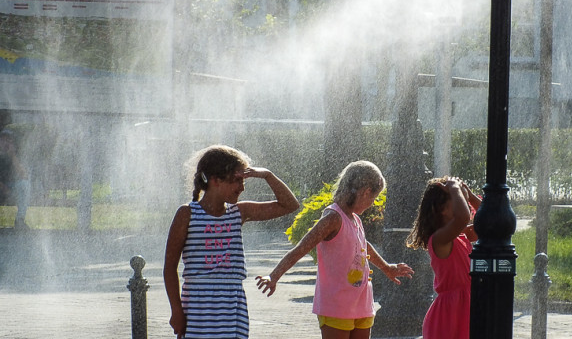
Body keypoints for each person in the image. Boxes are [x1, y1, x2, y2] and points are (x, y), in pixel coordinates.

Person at [255, 160, 414, 339]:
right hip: (336, 304)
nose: (372, 203)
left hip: (362, 302)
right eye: (373, 198)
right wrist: (274, 275)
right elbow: (301, 248)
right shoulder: (332, 218)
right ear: (365, 192)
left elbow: (364, 245)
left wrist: (386, 267)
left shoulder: (355, 220)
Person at [163, 145, 300, 339]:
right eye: (237, 181)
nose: (242, 188)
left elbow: (290, 204)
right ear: (215, 180)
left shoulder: (239, 213)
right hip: (198, 308)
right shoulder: (187, 214)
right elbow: (169, 267)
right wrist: (176, 311)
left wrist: (267, 175)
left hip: (233, 306)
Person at [406, 176, 481, 339]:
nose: (465, 201)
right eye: (458, 198)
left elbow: (490, 219)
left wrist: (467, 191)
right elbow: (463, 217)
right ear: (442, 209)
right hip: (449, 316)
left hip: (465, 309)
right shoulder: (439, 240)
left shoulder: (462, 235)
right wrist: (454, 187)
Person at [0, 129, 31, 229]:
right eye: (4, 139)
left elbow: (24, 175)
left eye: (9, 140)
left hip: (11, 187)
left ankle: (19, 220)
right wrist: (2, 186)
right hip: (2, 186)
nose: (6, 143)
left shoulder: (16, 155)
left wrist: (13, 156)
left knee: (24, 184)